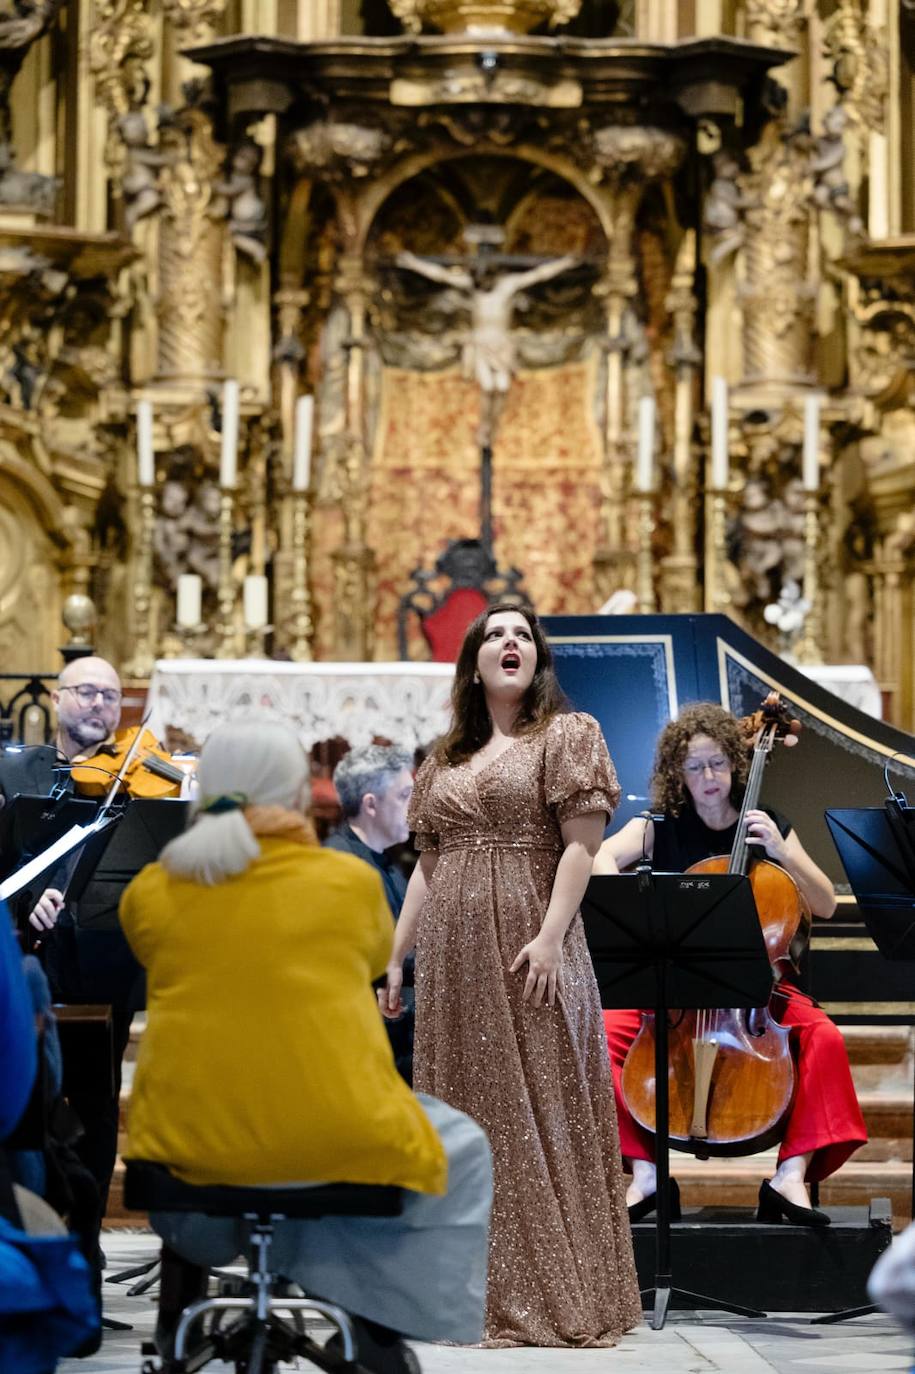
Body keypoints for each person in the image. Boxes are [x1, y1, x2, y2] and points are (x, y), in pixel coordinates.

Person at [119, 720, 492, 1372]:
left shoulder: (150, 892)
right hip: (326, 1147)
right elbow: (380, 955)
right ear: (296, 793)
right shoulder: (346, 885)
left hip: (183, 1154)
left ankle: (183, 1315)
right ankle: (376, 1329)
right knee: (457, 1145)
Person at [380, 602, 641, 1348]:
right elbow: (427, 872)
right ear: (473, 660)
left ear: (536, 658)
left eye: (522, 634)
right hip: (456, 961)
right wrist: (397, 955)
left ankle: (558, 1292)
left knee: (541, 1106)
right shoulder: (444, 757)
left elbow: (580, 847)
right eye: (494, 633)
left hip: (531, 943)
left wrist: (552, 938)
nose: (509, 642)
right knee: (465, 1111)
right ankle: (461, 1290)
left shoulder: (566, 734)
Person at [594, 701, 867, 1226]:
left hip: (756, 996)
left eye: (717, 763)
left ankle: (790, 1176)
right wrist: (637, 897)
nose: (708, 776)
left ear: (735, 764)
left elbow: (825, 904)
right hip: (677, 994)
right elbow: (605, 855)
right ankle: (646, 1173)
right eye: (695, 767)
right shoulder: (661, 826)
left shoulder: (768, 825)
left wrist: (782, 854)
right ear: (679, 772)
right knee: (599, 1033)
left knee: (825, 1038)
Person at [0, 655, 143, 1216]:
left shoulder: (138, 781)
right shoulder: (13, 771)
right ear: (57, 699)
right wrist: (26, 897)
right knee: (25, 1093)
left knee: (97, 1101)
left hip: (105, 957)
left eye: (109, 696)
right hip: (26, 955)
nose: (99, 704)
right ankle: (30, 1220)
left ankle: (85, 1231)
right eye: (85, 691)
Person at [325, 745, 415, 1082]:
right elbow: (368, 959)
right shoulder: (342, 864)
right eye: (405, 796)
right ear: (371, 804)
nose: (413, 808)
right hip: (368, 1036)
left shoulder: (386, 861)